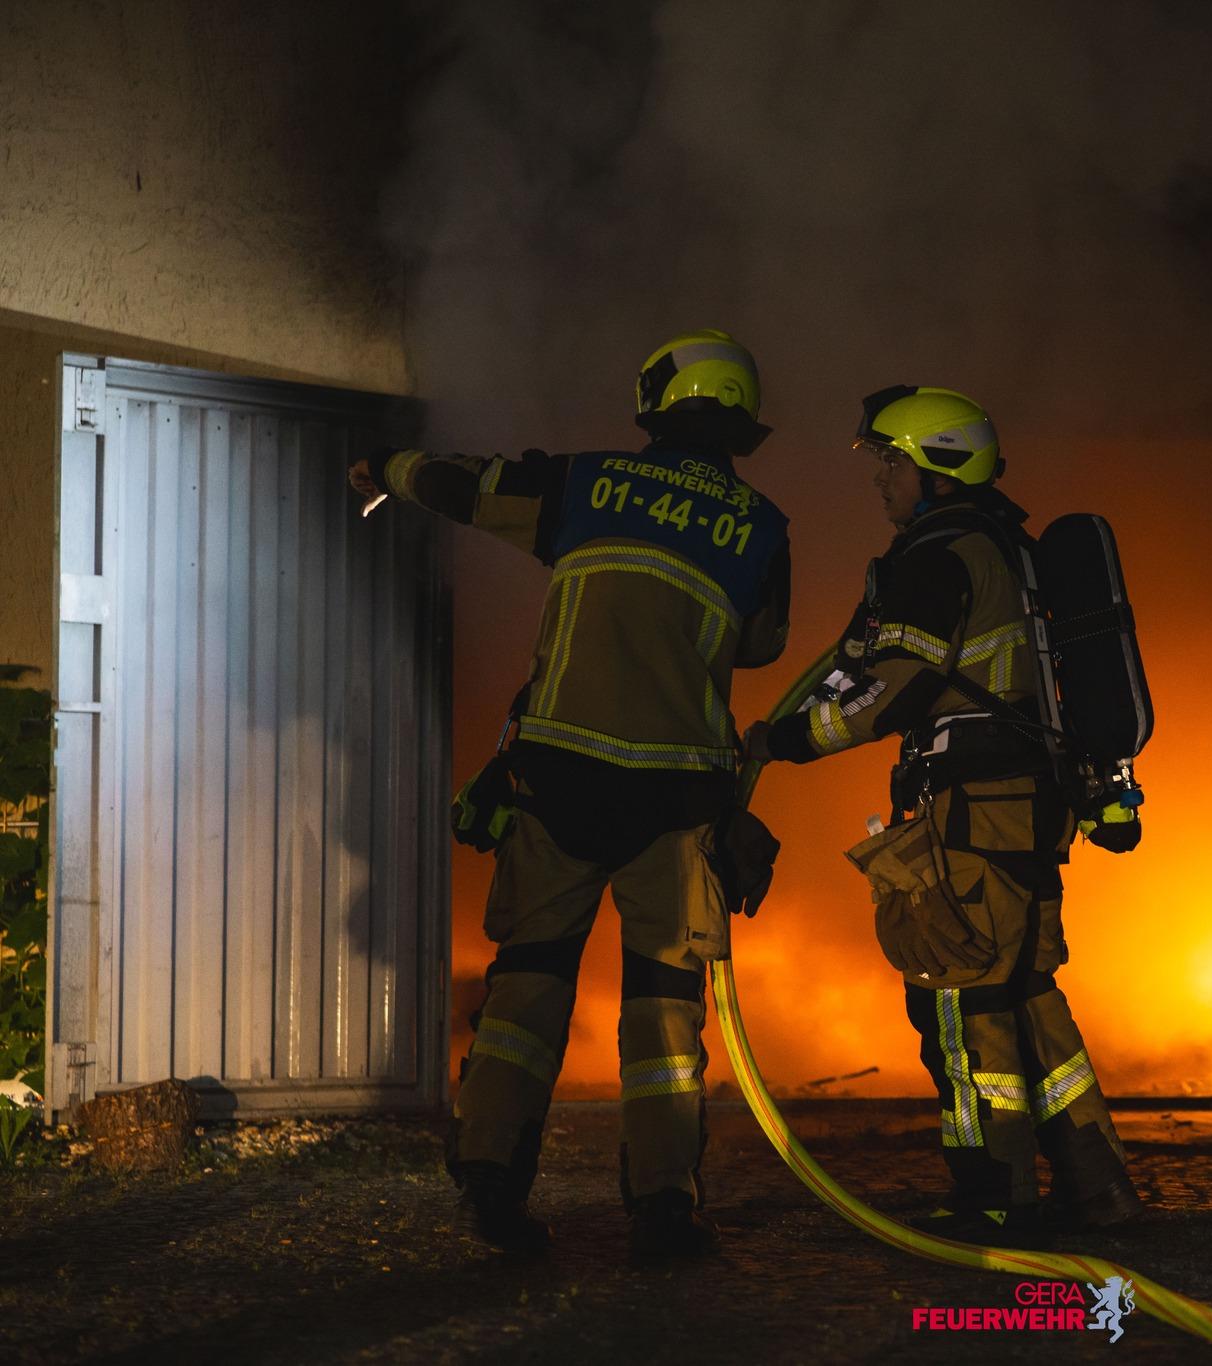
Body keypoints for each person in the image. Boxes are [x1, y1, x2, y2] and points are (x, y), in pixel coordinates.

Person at [348, 329, 791, 1256]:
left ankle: (490, 1179)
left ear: (657, 403)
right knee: (664, 1006)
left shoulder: (586, 483)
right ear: (738, 421)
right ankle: (665, 1208)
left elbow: (468, 486)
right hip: (677, 802)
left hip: (560, 781)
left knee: (530, 985)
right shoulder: (762, 528)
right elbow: (761, 645)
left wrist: (387, 466)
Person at [745, 386, 1140, 1241]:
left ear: (936, 468)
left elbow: (890, 688)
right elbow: (867, 662)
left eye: (891, 462)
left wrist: (787, 741)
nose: (879, 478)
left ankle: (994, 1196)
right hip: (1028, 804)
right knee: (1025, 991)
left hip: (974, 810)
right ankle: (1097, 1188)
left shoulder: (937, 558)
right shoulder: (1006, 547)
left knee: (958, 996)